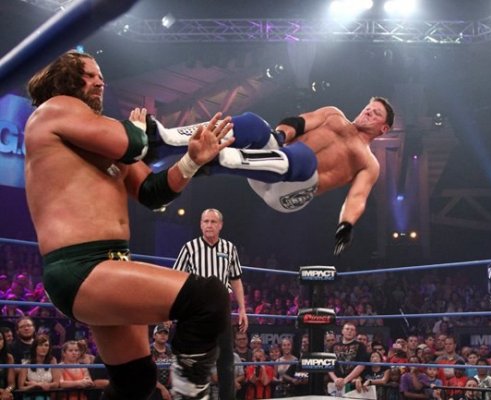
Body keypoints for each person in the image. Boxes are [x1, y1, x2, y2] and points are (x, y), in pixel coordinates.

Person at [24, 50, 233, 399]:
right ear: (66, 78)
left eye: (101, 75)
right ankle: (189, 392)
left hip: (111, 264)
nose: (100, 81)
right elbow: (133, 142)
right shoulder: (55, 108)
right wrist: (136, 129)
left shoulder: (100, 134)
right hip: (81, 267)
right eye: (90, 75)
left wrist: (192, 161)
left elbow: (152, 192)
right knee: (208, 297)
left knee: (135, 381)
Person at [154, 97, 395, 255]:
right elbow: (299, 122)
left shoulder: (369, 162)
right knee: (255, 124)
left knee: (306, 158)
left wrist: (346, 225)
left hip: (291, 192)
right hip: (270, 165)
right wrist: (279, 135)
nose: (368, 112)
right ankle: (167, 140)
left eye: (375, 114)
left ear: (383, 128)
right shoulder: (333, 115)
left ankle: (219, 160)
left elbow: (357, 197)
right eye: (368, 108)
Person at [173, 207, 248, 400]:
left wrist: (242, 308)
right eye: (205, 221)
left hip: (221, 308)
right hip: (196, 310)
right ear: (200, 224)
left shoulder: (229, 248)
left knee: (226, 360)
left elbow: (236, 279)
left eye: (213, 222)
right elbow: (176, 278)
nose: (209, 225)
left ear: (220, 225)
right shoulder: (189, 248)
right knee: (195, 359)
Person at [17, 335, 60, 400]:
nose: (44, 348)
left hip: (47, 397)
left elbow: (56, 384)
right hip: (30, 397)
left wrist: (45, 385)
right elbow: (21, 387)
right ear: (35, 347)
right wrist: (35, 386)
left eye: (46, 345)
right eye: (40, 345)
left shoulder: (52, 361)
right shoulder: (26, 363)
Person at [0, 330, 16, 399]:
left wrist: (7, 391)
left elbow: (12, 384)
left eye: (0, 339)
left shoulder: (9, 358)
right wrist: (1, 391)